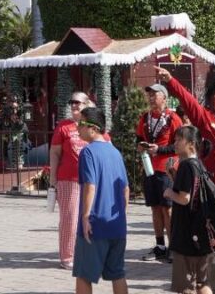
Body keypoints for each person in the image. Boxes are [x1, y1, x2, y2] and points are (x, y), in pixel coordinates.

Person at [156, 66, 215, 292]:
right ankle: (214, 287)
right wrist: (170, 82)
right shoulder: (205, 119)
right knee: (213, 242)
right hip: (214, 193)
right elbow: (188, 102)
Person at [73, 106, 130, 294]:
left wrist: (85, 216)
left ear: (94, 128)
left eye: (81, 123)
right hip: (116, 225)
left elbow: (90, 185)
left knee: (84, 275)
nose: (77, 127)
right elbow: (125, 189)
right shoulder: (115, 152)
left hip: (95, 224)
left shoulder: (88, 152)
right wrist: (122, 215)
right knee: (117, 274)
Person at [165, 125, 215, 294]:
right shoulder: (198, 164)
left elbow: (184, 199)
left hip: (186, 233)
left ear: (191, 144)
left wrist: (169, 192)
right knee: (202, 282)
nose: (174, 143)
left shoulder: (185, 166)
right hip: (200, 232)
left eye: (178, 140)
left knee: (185, 285)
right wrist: (173, 177)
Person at [137, 83, 183, 263]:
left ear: (164, 97)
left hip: (167, 169)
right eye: (149, 94)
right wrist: (140, 146)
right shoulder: (145, 117)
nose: (150, 98)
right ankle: (160, 246)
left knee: (168, 209)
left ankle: (174, 247)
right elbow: (139, 138)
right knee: (155, 208)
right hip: (149, 168)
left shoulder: (173, 118)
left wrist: (160, 150)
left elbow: (179, 145)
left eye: (155, 94)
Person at [52, 92, 96, 270]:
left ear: (86, 104)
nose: (74, 105)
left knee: (90, 217)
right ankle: (67, 255)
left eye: (78, 102)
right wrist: (52, 179)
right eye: (72, 102)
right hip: (68, 179)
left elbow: (105, 144)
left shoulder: (94, 125)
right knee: (69, 219)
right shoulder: (63, 127)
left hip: (90, 180)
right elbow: (54, 153)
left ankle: (87, 252)